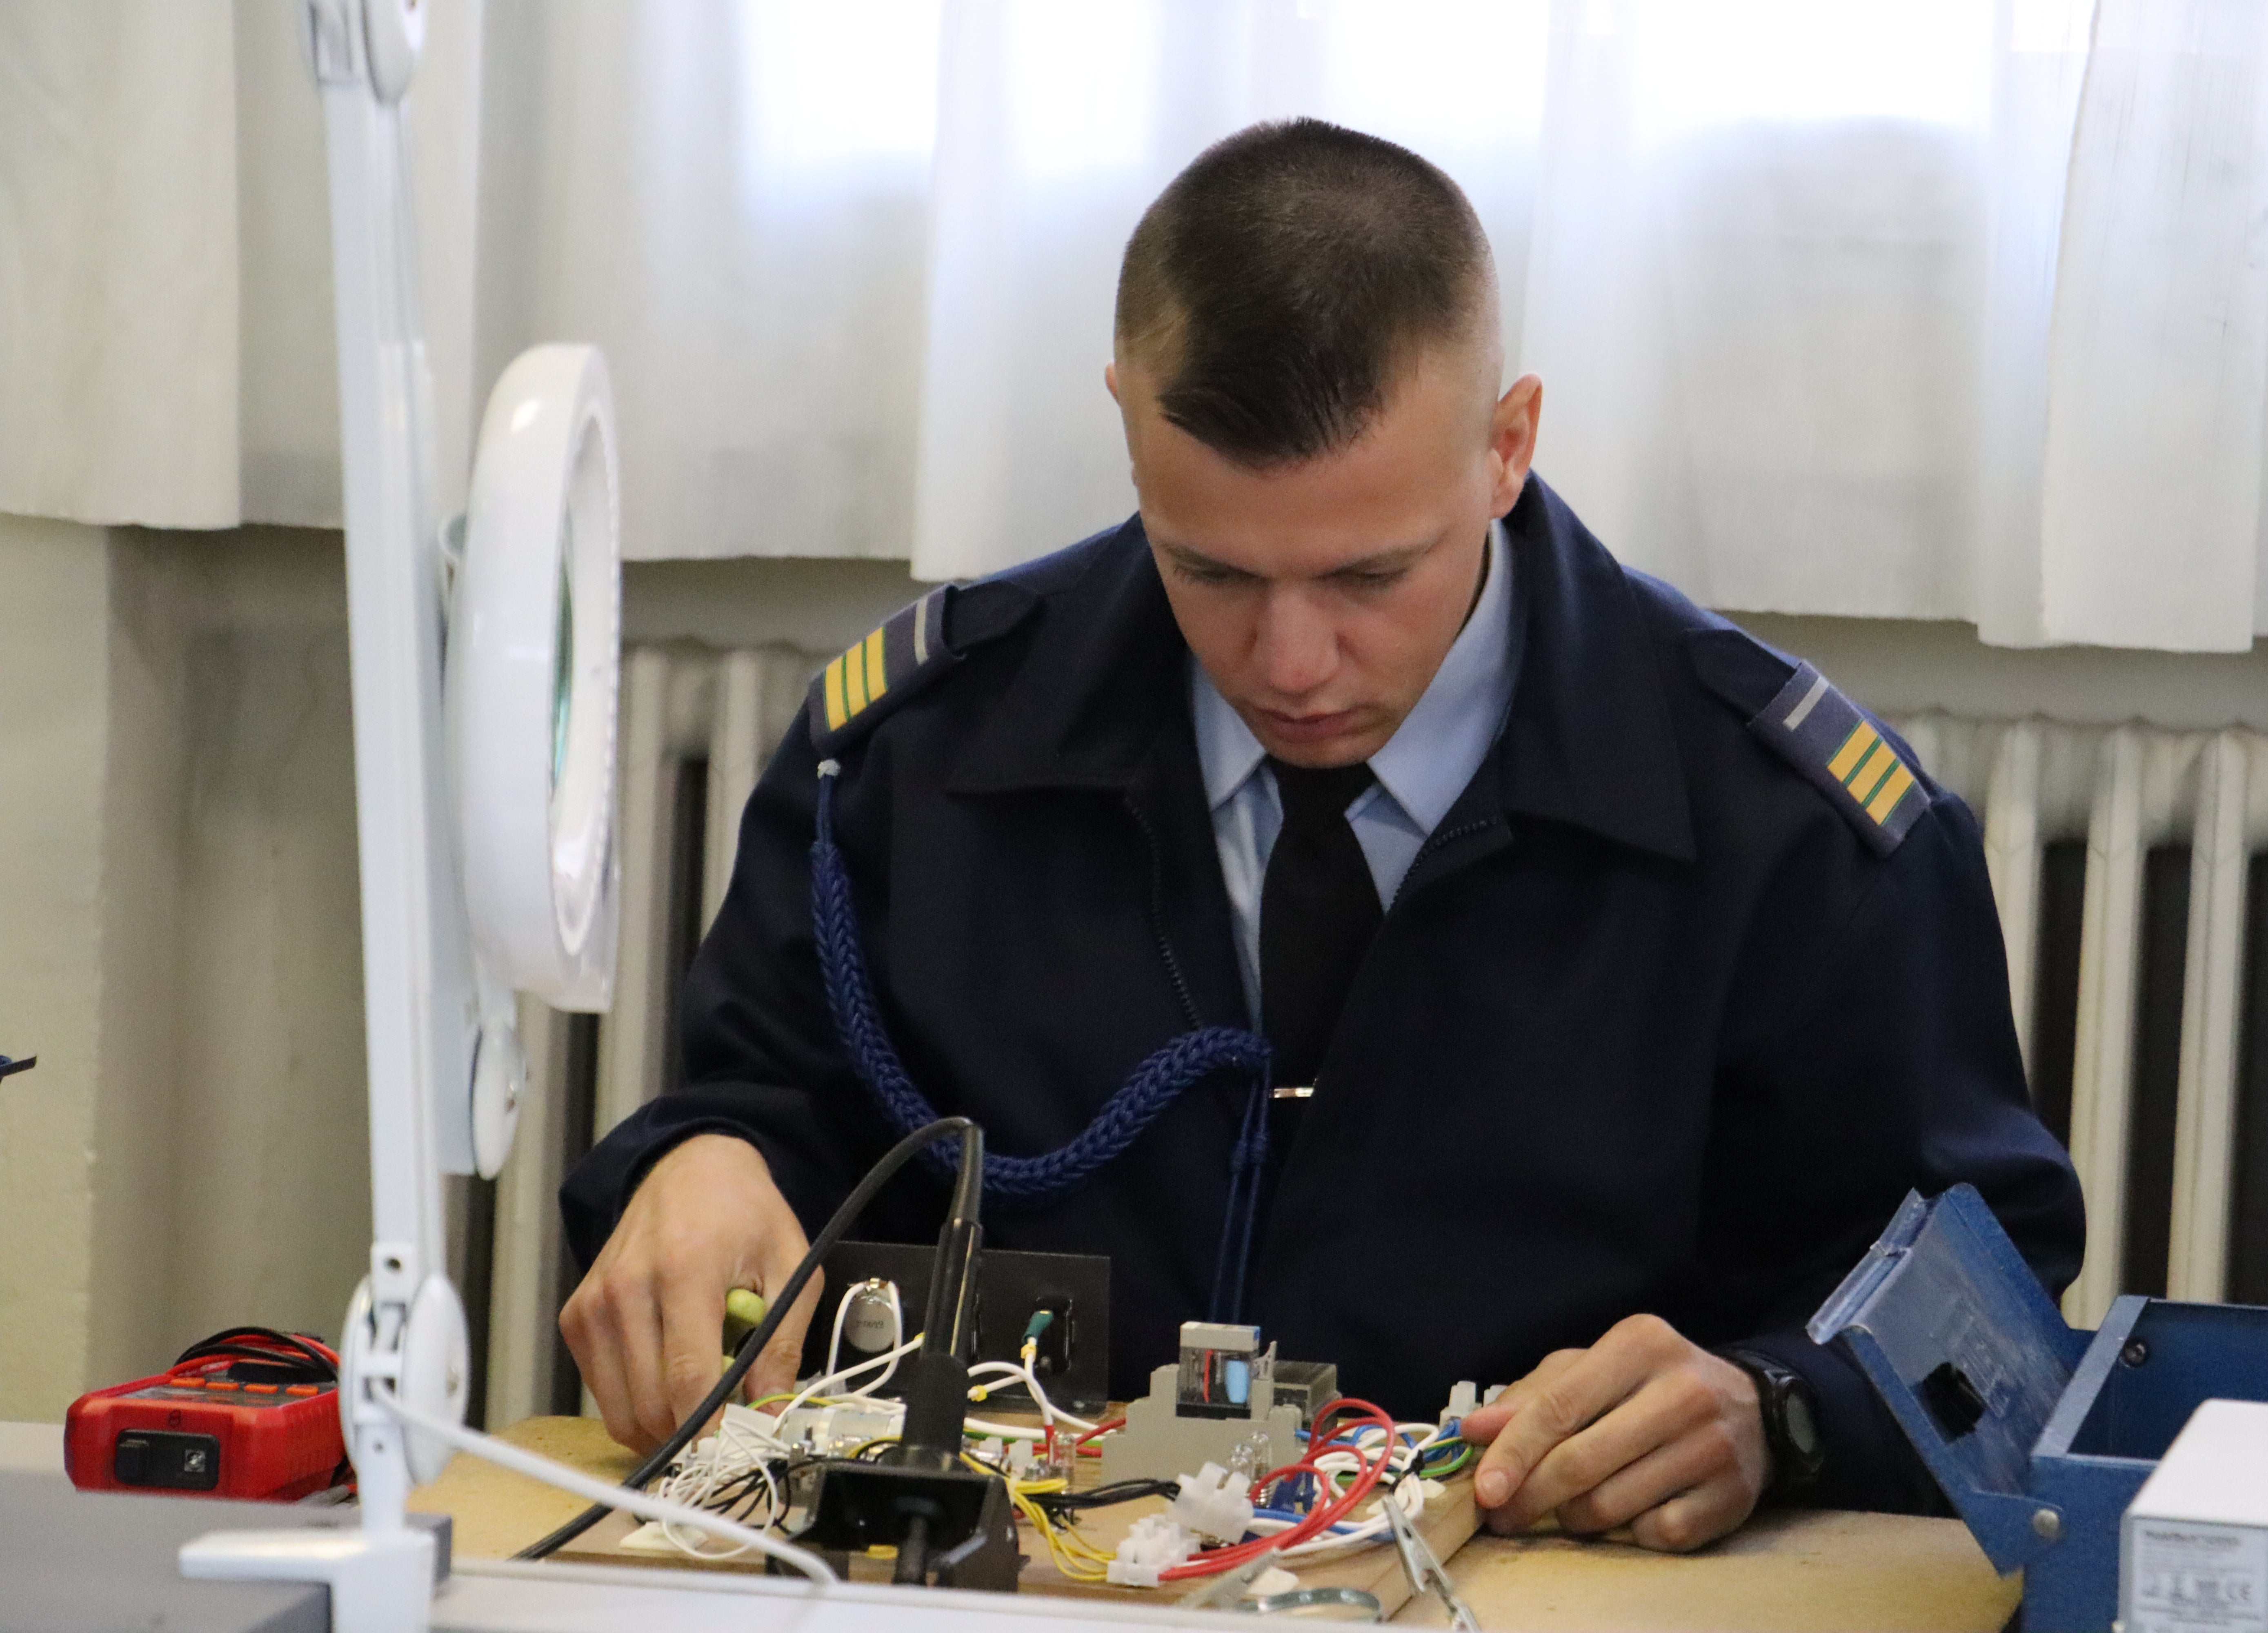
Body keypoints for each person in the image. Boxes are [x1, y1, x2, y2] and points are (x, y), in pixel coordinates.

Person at [559, 118, 2083, 1551]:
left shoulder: (1789, 832)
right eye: (1210, 568)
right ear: (1127, 428)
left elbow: (1993, 1310)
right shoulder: (910, 761)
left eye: (1369, 576)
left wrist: (1778, 1411)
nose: (1290, 663)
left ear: (1508, 445)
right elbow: (767, 1106)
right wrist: (704, 1156)